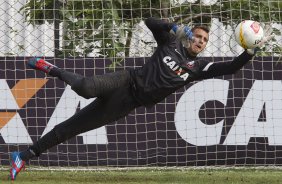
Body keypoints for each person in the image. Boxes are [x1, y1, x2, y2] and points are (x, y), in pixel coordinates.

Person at [8, 17, 273, 180]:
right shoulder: (170, 43)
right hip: (126, 80)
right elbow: (149, 21)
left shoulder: (197, 69)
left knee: (71, 128)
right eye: (198, 36)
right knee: (86, 87)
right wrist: (174, 26)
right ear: (190, 36)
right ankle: (49, 67)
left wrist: (251, 50)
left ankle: (23, 156)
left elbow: (231, 68)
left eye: (205, 40)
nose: (201, 41)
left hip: (127, 103)